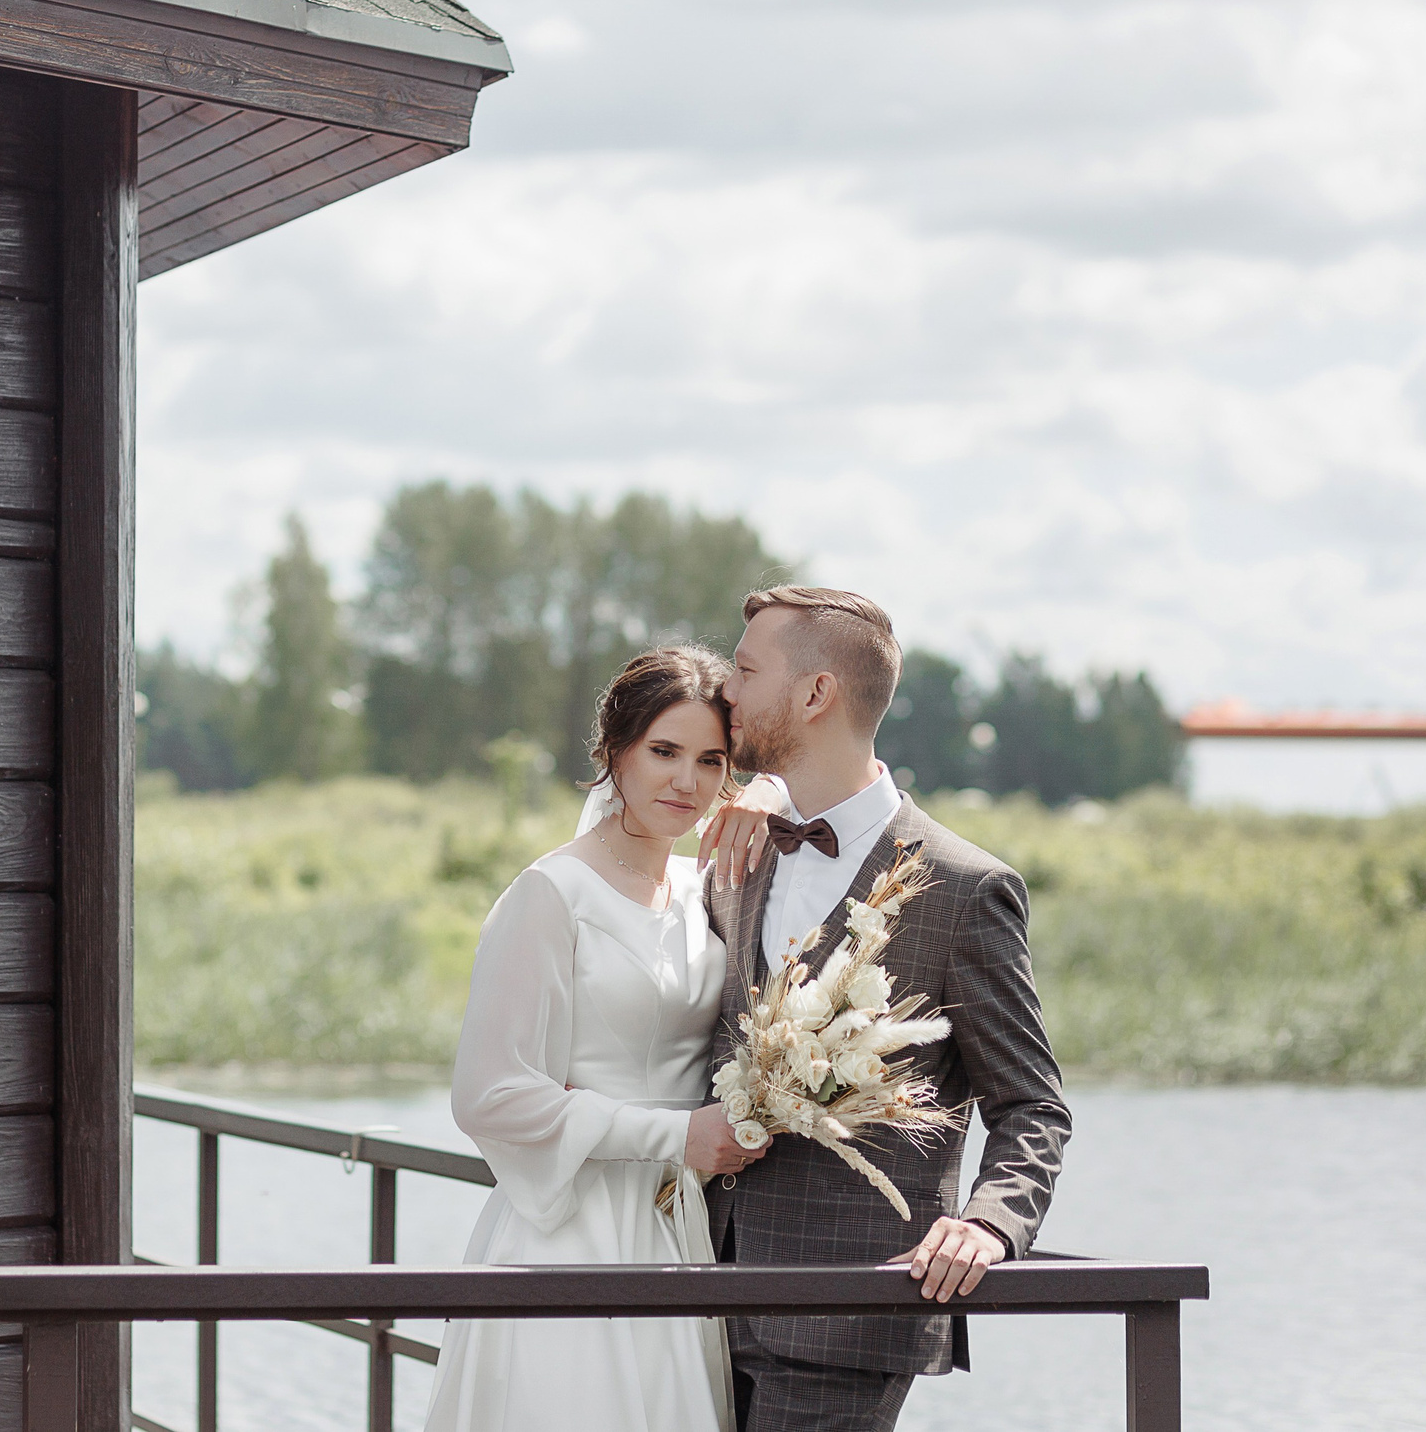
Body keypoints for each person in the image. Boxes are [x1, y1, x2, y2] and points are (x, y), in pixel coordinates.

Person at [699, 586, 1073, 1432]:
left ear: (815, 693)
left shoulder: (964, 886)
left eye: (748, 670)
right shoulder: (743, 841)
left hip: (850, 1312)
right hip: (694, 1295)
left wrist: (991, 1222)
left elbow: (1032, 1104)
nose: (728, 690)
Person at [422, 644, 785, 1432]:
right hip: (570, 1226)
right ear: (613, 749)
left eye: (710, 759)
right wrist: (677, 1132)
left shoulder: (704, 888)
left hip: (676, 1225)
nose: (685, 781)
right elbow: (487, 1094)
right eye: (663, 751)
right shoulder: (550, 894)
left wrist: (774, 789)